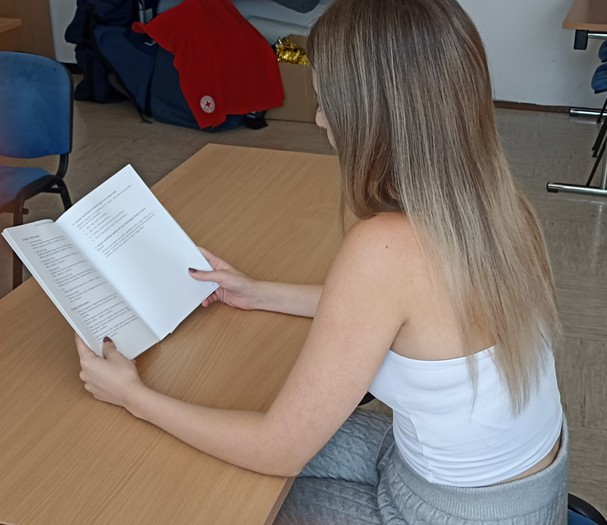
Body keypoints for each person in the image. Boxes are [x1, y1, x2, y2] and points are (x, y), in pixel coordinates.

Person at [76, 0, 568, 523]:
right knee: (224, 447)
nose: (318, 117)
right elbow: (391, 312)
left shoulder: (384, 248)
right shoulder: (496, 205)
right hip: (513, 491)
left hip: (453, 511)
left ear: (373, 114)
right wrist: (258, 292)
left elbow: (278, 449)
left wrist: (132, 395)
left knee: (211, 495)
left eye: (328, 100)